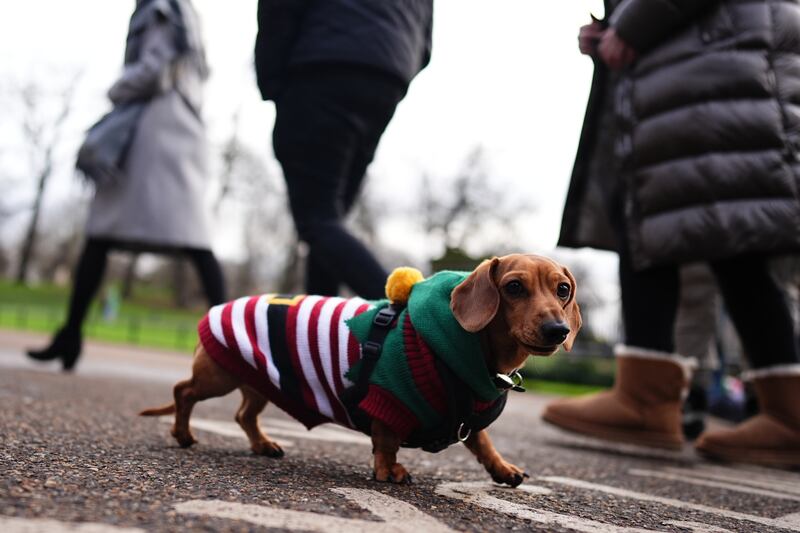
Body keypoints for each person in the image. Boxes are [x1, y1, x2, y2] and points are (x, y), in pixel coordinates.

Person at [542, 0, 800, 468]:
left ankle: (661, 402)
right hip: (706, 59)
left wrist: (636, 21)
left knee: (728, 232)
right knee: (700, 229)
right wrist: (612, 28)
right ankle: (657, 398)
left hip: (718, 61)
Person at [28, 0, 225, 371]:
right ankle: (235, 342)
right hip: (183, 128)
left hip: (155, 131)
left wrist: (116, 89)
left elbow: (153, 68)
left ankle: (71, 335)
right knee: (194, 239)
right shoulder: (188, 13)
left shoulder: (159, 8)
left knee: (101, 233)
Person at [254, 0, 434, 299]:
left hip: (321, 67)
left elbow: (278, 9)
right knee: (328, 223)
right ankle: (317, 334)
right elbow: (426, 45)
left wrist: (272, 83)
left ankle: (412, 320)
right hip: (388, 75)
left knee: (318, 220)